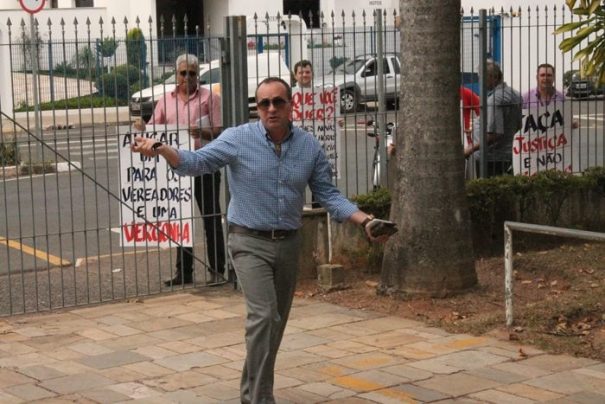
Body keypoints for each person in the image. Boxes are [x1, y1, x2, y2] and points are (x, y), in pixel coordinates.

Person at [131, 77, 394, 403]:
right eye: (264, 103)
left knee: (274, 325)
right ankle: (259, 399)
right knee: (264, 317)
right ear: (258, 109)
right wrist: (162, 149)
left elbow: (328, 195)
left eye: (277, 102)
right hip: (247, 242)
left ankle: (249, 392)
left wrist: (365, 221)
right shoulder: (238, 139)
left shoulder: (309, 146)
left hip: (288, 244)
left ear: (290, 105)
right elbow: (197, 162)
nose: (271, 108)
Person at [133, 53, 225, 286]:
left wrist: (201, 132)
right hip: (177, 168)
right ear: (177, 74)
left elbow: (219, 130)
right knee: (180, 218)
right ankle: (183, 272)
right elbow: (154, 130)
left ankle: (218, 269)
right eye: (183, 73)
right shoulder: (166, 100)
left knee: (211, 217)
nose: (187, 77)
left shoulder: (209, 98)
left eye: (192, 73)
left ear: (197, 75)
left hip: (204, 164)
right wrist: (142, 127)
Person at [464, 60, 522, 177]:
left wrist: (470, 149)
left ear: (493, 77)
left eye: (481, 77)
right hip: (509, 154)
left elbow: (495, 134)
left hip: (491, 159)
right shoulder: (515, 94)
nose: (480, 82)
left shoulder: (494, 99)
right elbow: (518, 125)